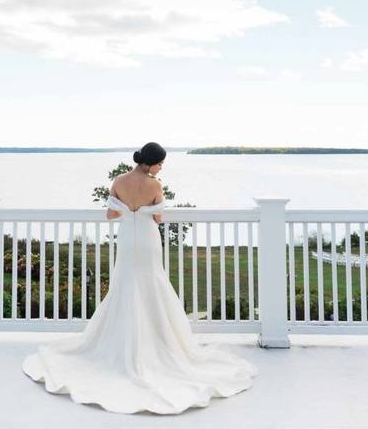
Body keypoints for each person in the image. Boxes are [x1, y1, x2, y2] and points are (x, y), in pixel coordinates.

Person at [21, 142, 258, 414]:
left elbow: (111, 214)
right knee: (151, 286)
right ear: (151, 162)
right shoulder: (154, 185)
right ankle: (156, 346)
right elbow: (158, 218)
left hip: (127, 240)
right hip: (146, 240)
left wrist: (127, 208)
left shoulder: (119, 181)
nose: (161, 168)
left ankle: (122, 347)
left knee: (125, 287)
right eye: (160, 163)